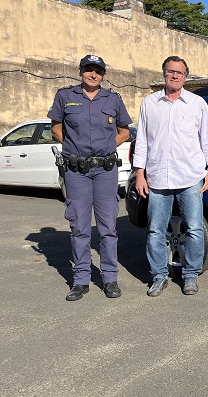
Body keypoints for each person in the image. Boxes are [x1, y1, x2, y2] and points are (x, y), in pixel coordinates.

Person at [132, 55, 208, 297]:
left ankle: (190, 275)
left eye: (179, 73)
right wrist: (140, 173)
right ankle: (159, 276)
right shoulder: (149, 103)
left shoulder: (197, 103)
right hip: (158, 178)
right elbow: (143, 142)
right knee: (155, 230)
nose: (174, 75)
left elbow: (207, 139)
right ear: (164, 74)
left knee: (194, 229)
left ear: (185, 77)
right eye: (170, 71)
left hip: (190, 178)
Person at [49, 54, 132, 301]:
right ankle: (81, 279)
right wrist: (75, 147)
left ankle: (109, 278)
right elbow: (55, 127)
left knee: (108, 228)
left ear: (104, 75)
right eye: (88, 70)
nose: (93, 74)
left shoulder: (113, 99)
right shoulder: (65, 96)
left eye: (98, 71)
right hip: (76, 172)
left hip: (105, 171)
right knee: (79, 227)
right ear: (81, 71)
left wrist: (106, 147)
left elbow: (124, 131)